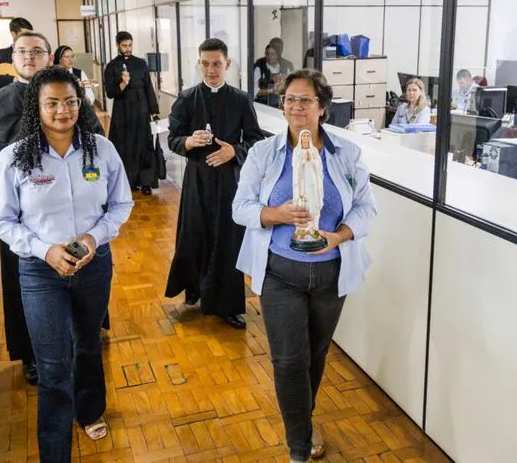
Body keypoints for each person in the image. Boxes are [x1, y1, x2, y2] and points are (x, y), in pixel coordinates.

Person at [0, 66, 133, 461]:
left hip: (94, 264)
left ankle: (89, 411)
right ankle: (55, 452)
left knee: (88, 346)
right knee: (52, 366)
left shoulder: (101, 149)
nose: (62, 110)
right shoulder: (14, 157)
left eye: (70, 101)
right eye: (51, 103)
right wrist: (44, 250)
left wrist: (93, 237)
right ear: (37, 107)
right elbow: (0, 220)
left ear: (79, 102)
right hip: (40, 272)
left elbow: (122, 203)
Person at [233, 69, 377, 463]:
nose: (296, 107)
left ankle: (303, 420)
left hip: (330, 274)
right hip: (281, 272)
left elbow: (367, 207)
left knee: (315, 355)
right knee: (288, 360)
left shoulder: (346, 154)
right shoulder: (264, 153)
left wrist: (339, 235)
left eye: (305, 100)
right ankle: (298, 446)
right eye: (290, 100)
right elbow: (240, 208)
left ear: (323, 107)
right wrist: (276, 214)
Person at [0, 31, 103, 385]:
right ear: (12, 57)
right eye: (22, 52)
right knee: (23, 287)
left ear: (49, 57)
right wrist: (7, 185)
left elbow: (97, 140)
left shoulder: (70, 96)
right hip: (21, 216)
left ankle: (82, 341)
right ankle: (32, 355)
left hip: (71, 209)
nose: (30, 57)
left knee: (83, 272)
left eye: (37, 52)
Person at [165, 38, 265, 329]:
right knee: (194, 234)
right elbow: (173, 138)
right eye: (205, 64)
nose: (211, 70)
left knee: (227, 240)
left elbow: (256, 140)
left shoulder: (241, 99)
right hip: (196, 180)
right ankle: (194, 289)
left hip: (230, 182)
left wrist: (234, 151)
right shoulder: (186, 98)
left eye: (217, 64)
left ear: (227, 65)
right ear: (199, 64)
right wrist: (188, 141)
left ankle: (227, 305)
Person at [104, 31, 160, 195]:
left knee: (144, 145)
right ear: (117, 46)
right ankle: (129, 182)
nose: (128, 49)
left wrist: (154, 111)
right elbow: (110, 92)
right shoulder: (111, 66)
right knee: (124, 146)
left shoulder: (141, 63)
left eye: (130, 45)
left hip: (142, 110)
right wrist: (123, 83)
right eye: (124, 46)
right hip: (122, 112)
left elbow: (149, 87)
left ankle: (146, 183)